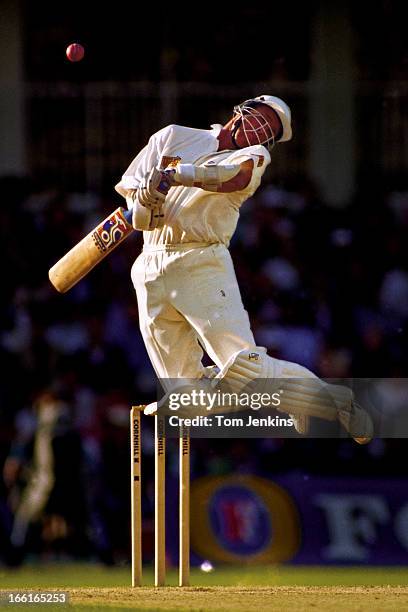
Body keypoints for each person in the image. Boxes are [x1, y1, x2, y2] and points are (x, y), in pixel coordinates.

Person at [115, 95, 373, 443]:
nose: (260, 130)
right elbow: (132, 192)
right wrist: (144, 202)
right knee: (186, 400)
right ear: (241, 111)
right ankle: (286, 394)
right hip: (148, 264)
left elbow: (232, 177)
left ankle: (335, 402)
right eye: (261, 118)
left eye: (269, 131)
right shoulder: (173, 136)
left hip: (199, 260)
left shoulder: (252, 157)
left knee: (247, 370)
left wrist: (177, 175)